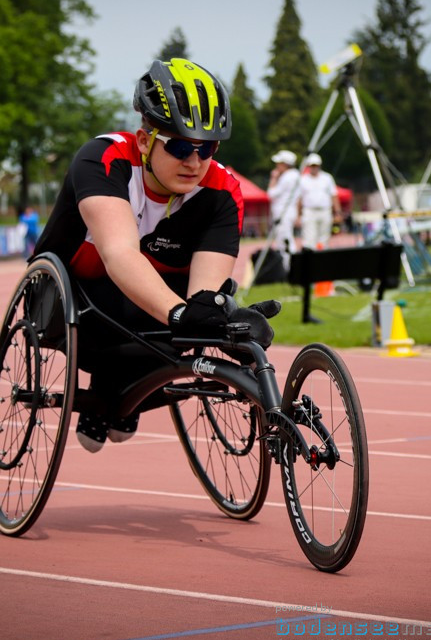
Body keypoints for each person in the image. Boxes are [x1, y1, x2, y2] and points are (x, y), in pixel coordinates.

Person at [32, 57, 276, 453]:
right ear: (144, 140)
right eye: (179, 146)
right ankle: (113, 382)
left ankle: (121, 386)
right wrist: (179, 313)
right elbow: (119, 254)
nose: (194, 162)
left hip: (151, 310)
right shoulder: (103, 160)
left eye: (207, 148)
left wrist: (220, 317)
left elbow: (202, 296)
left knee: (207, 309)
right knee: (164, 305)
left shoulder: (222, 190)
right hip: (78, 299)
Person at [297, 153, 341, 251]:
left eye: (316, 165)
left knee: (324, 238)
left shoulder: (327, 178)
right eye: (312, 165)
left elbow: (334, 195)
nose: (314, 168)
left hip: (325, 210)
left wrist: (337, 212)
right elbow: (299, 199)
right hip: (309, 211)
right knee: (309, 238)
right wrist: (298, 215)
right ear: (309, 166)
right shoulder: (303, 180)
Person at [267, 149, 301, 270]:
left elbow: (271, 193)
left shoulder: (287, 177)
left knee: (284, 240)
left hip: (283, 212)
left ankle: (289, 268)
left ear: (284, 164)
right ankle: (290, 266)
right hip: (289, 211)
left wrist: (274, 178)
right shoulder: (296, 175)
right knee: (286, 239)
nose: (277, 166)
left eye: (279, 163)